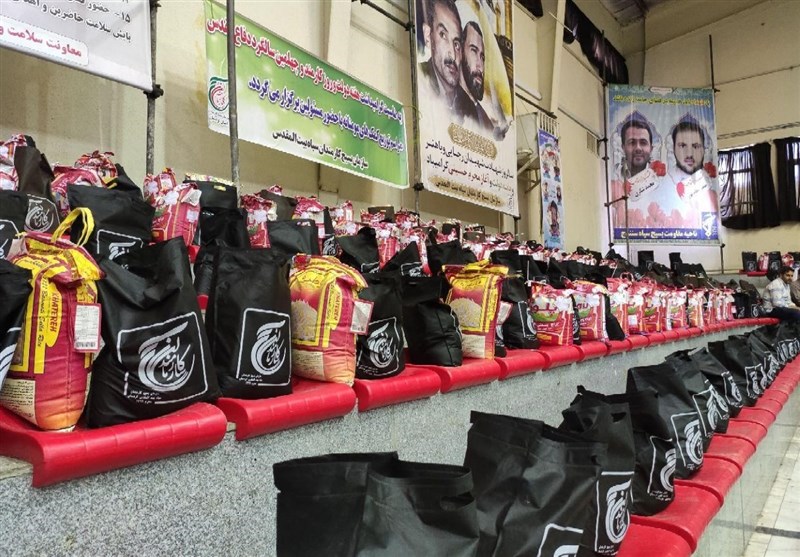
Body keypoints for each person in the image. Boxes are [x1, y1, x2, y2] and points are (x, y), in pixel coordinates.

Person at [419, 0, 477, 125]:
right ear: (428, 36)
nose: (453, 54)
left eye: (456, 44)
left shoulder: (470, 109)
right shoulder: (419, 79)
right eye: (443, 35)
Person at [459, 21, 493, 133]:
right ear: (461, 51)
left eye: (482, 57)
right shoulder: (447, 100)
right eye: (474, 51)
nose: (480, 66)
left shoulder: (488, 124)